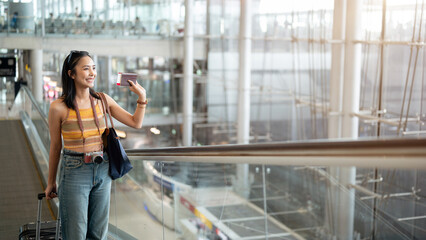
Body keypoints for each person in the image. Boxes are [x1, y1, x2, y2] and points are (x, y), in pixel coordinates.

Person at [44, 50, 147, 239]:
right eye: (86, 68)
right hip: (74, 170)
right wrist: (51, 181)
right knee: (75, 233)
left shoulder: (102, 100)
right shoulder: (58, 107)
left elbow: (135, 122)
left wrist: (141, 96)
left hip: (103, 168)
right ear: (71, 74)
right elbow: (55, 147)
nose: (92, 73)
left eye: (93, 68)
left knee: (98, 234)